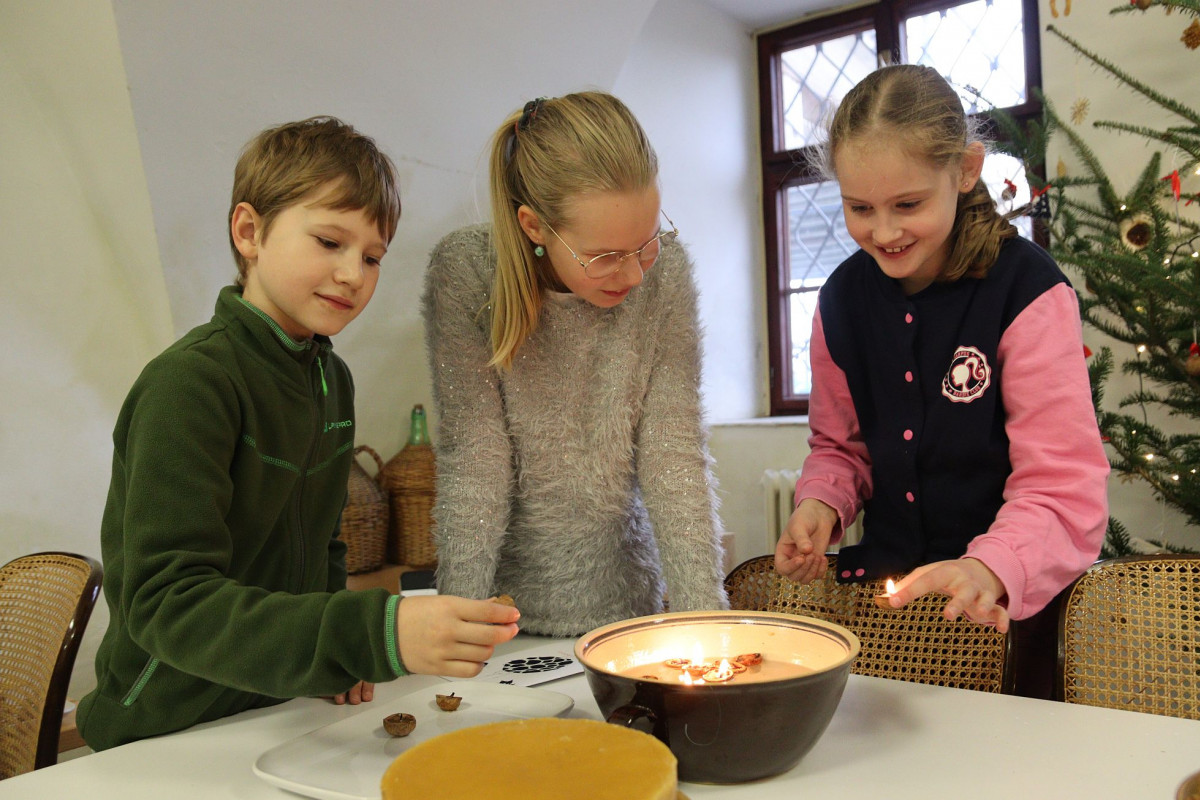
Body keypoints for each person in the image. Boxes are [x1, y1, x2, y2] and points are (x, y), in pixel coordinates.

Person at [77, 117, 518, 751]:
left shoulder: (331, 379)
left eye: (372, 257)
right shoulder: (190, 383)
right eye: (329, 241)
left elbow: (323, 544)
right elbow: (164, 602)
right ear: (249, 231)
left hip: (278, 706)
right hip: (169, 725)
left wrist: (327, 662)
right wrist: (370, 632)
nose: (352, 274)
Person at [774, 65, 1109, 636]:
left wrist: (986, 567)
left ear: (966, 170)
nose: (883, 233)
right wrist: (820, 505)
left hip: (1007, 611)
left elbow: (1060, 485)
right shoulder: (839, 301)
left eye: (907, 205)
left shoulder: (1027, 290)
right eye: (859, 208)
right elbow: (840, 448)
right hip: (894, 616)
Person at [422, 91, 728, 637]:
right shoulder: (468, 274)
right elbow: (476, 456)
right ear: (535, 227)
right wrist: (458, 621)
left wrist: (702, 615)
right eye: (606, 256)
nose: (634, 275)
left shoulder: (665, 274)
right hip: (503, 620)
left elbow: (672, 449)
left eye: (647, 242)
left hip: (631, 613)